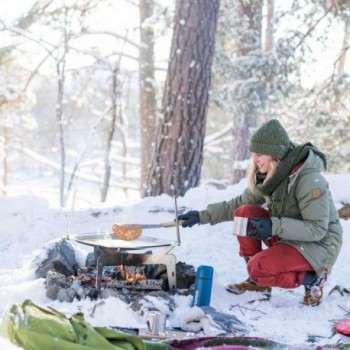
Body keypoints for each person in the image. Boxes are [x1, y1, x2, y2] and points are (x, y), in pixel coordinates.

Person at [178, 119, 343, 306]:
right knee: (244, 213)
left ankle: (312, 279)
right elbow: (239, 203)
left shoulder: (309, 180)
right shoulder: (271, 176)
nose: (254, 160)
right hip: (289, 235)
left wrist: (274, 226)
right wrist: (201, 216)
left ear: (275, 155)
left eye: (259, 154)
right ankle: (259, 285)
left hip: (319, 245)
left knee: (258, 269)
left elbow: (317, 230)